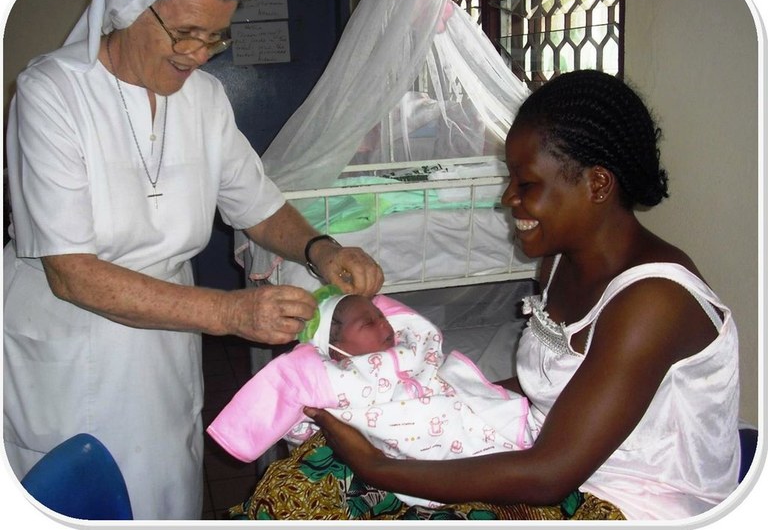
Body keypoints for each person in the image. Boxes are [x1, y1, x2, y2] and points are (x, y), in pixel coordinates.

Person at [244, 70, 741, 521]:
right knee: (302, 479)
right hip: (547, 453)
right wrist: (430, 398)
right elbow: (555, 389)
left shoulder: (653, 301)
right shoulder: (560, 262)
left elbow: (548, 478)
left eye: (526, 183)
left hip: (627, 503)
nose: (507, 198)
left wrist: (376, 465)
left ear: (597, 184)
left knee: (363, 483)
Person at [3, 0, 383, 520]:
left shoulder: (204, 98)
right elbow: (71, 272)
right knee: (79, 492)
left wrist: (321, 250)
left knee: (162, 485)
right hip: (72, 333)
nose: (199, 54)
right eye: (184, 33)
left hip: (167, 331)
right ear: (127, 9)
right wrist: (230, 312)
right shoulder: (52, 92)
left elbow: (257, 205)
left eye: (215, 37)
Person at [207, 287, 534, 508]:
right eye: (368, 323)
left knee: (492, 419)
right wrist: (248, 432)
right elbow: (290, 391)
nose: (384, 325)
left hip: (452, 405)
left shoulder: (409, 346)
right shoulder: (336, 375)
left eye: (381, 317)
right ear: (335, 347)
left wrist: (367, 302)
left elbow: (420, 332)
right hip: (413, 443)